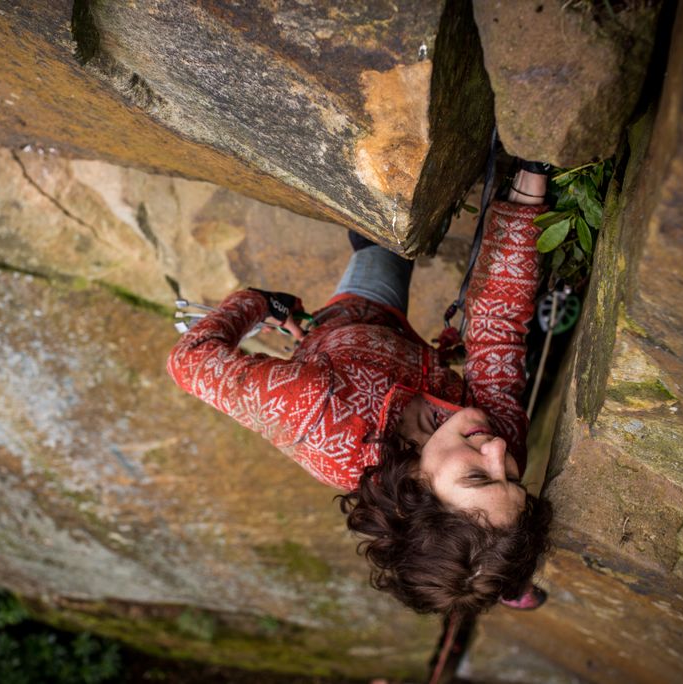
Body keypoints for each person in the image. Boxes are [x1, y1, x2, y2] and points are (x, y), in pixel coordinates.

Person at [167, 162, 555, 617]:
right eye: (512, 481)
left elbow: (188, 361)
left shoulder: (313, 411)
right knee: (494, 547)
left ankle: (502, 577)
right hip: (393, 352)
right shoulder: (497, 443)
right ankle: (501, 575)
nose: (498, 452)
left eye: (477, 476)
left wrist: (260, 302)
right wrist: (530, 186)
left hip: (352, 326)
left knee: (382, 229)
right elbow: (498, 326)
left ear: (415, 486)